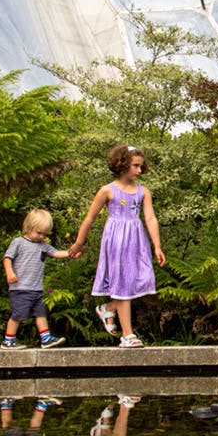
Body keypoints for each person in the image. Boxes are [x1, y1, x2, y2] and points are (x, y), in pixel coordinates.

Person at [69, 145, 166, 348]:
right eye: (135, 166)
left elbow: (150, 218)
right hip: (116, 239)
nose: (139, 170)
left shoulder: (143, 192)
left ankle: (109, 308)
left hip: (136, 239)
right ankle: (128, 335)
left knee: (140, 279)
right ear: (122, 165)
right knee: (123, 283)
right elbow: (90, 218)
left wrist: (157, 246)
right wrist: (79, 243)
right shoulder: (107, 191)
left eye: (141, 166)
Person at [2, 208, 70, 349]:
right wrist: (9, 272)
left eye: (45, 234)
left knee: (40, 314)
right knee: (18, 315)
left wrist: (71, 252)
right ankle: (8, 341)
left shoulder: (43, 245)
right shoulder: (18, 242)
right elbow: (7, 258)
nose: (42, 237)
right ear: (28, 227)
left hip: (36, 289)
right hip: (20, 288)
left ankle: (45, 338)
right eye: (39, 233)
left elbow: (56, 253)